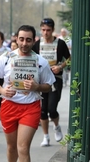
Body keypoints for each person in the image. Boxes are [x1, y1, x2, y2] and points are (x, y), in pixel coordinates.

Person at [0, 25, 55, 162]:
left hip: (30, 107)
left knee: (23, 147)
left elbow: (49, 85)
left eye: (29, 40)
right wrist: (2, 89)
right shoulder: (7, 57)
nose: (24, 43)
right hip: (9, 106)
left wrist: (36, 87)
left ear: (34, 40)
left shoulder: (41, 61)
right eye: (22, 39)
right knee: (11, 147)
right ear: (16, 39)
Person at [32, 18, 71, 147]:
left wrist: (61, 67)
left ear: (53, 30)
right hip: (41, 82)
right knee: (42, 111)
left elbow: (70, 58)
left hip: (56, 80)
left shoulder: (59, 44)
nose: (45, 33)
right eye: (43, 30)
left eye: (48, 30)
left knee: (51, 109)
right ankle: (46, 136)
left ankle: (57, 126)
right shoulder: (37, 45)